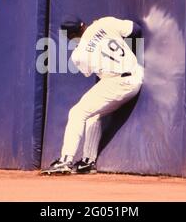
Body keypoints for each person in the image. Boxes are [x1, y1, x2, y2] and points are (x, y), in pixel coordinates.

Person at [41, 16, 144, 175]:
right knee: (91, 114)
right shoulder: (104, 22)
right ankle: (88, 161)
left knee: (77, 112)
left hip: (117, 83)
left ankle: (65, 160)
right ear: (83, 25)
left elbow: (90, 72)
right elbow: (136, 29)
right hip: (136, 75)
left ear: (72, 36)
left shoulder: (78, 54)